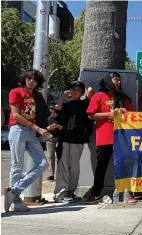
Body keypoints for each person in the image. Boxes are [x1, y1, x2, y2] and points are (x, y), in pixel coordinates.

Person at [85, 72, 137, 204]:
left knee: (125, 165)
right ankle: (95, 193)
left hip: (121, 137)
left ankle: (127, 192)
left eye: (119, 80)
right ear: (108, 80)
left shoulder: (123, 97)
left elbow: (133, 115)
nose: (117, 82)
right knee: (101, 166)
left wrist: (125, 113)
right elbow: (91, 115)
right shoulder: (98, 96)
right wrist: (108, 114)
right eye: (115, 79)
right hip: (104, 136)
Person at [4, 69, 51, 212]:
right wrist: (37, 128)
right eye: (29, 78)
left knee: (43, 164)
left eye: (34, 80)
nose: (31, 81)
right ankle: (16, 202)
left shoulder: (36, 96)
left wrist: (45, 127)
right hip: (18, 129)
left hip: (31, 131)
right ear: (24, 79)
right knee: (17, 165)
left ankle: (14, 191)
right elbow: (16, 115)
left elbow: (41, 115)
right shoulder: (16, 92)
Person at [53, 81, 94, 203]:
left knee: (75, 166)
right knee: (64, 165)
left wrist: (85, 86)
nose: (75, 91)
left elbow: (91, 90)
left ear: (82, 92)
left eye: (78, 89)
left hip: (79, 138)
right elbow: (57, 107)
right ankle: (60, 192)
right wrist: (64, 95)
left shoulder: (85, 103)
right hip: (65, 137)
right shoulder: (65, 104)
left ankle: (70, 191)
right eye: (73, 89)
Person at [45, 105, 59, 182]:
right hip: (50, 137)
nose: (52, 114)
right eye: (51, 112)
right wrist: (49, 128)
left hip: (60, 137)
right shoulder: (48, 118)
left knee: (59, 156)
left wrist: (58, 126)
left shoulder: (60, 117)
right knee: (50, 156)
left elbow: (65, 127)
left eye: (54, 112)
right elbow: (44, 128)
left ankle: (60, 173)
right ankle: (51, 174)